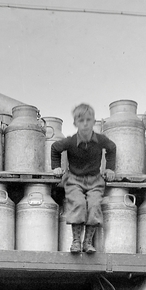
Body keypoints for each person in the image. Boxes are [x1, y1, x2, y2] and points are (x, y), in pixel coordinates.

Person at [49, 103, 118, 254]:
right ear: (75, 123)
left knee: (94, 206)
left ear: (94, 121)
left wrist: (109, 168)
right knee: (78, 204)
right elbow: (55, 148)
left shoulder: (100, 140)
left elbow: (112, 148)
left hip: (95, 180)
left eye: (89, 120)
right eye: (81, 121)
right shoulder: (70, 141)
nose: (85, 124)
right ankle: (75, 242)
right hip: (74, 179)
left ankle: (87, 243)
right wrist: (56, 167)